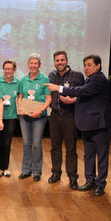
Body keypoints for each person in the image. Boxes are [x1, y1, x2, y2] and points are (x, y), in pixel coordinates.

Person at [45, 54, 111, 196]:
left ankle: (100, 184)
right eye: (85, 65)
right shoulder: (90, 79)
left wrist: (59, 88)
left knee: (101, 156)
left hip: (100, 124)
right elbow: (84, 96)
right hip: (87, 123)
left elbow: (80, 91)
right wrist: (74, 100)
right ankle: (90, 180)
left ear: (98, 66)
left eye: (89, 65)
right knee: (89, 155)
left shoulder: (99, 79)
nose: (86, 68)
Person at [47, 51, 85, 190]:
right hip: (55, 116)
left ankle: (72, 177)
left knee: (71, 148)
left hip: (70, 116)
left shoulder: (77, 75)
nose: (60, 63)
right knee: (55, 147)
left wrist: (73, 100)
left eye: (62, 60)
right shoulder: (51, 76)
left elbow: (83, 94)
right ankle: (56, 173)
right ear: (54, 62)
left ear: (67, 60)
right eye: (57, 60)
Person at [17, 53, 51, 182]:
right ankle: (26, 170)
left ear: (39, 65)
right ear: (28, 64)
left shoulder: (45, 79)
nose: (33, 65)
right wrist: (20, 107)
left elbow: (48, 99)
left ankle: (37, 171)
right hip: (25, 116)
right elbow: (20, 96)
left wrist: (41, 111)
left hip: (39, 116)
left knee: (36, 144)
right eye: (31, 63)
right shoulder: (23, 80)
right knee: (26, 143)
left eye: (35, 63)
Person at [0, 59, 19, 178]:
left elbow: (21, 99)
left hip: (11, 117)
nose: (8, 71)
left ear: (14, 70)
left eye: (10, 69)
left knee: (7, 142)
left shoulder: (18, 83)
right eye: (6, 68)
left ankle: (6, 168)